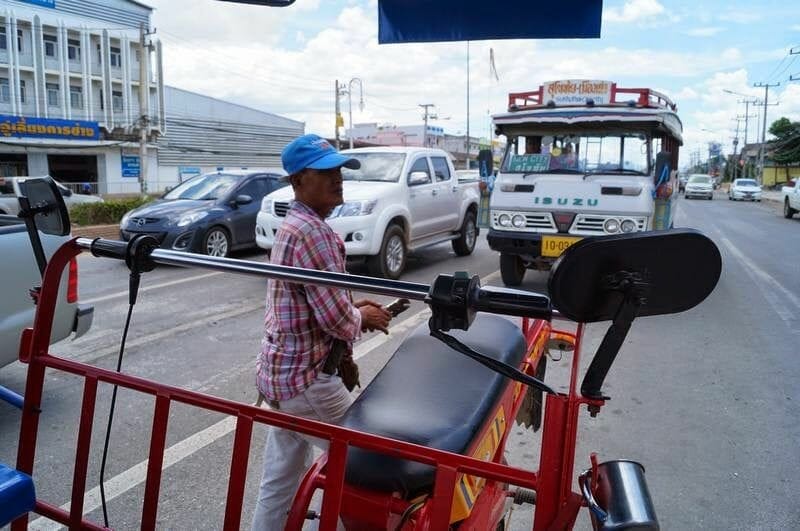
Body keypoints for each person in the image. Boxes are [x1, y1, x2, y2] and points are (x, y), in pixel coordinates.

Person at [251, 134, 392, 530]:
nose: (336, 179)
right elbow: (336, 320)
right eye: (324, 173)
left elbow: (319, 303)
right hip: (307, 381)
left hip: (281, 378)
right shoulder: (314, 233)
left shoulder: (295, 226)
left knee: (278, 485)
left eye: (338, 171)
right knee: (365, 464)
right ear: (298, 181)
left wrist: (355, 308)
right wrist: (365, 317)